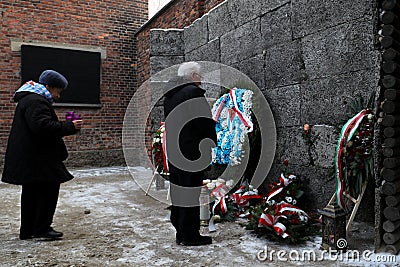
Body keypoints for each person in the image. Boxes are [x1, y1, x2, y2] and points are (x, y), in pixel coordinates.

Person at [1, 70, 83, 240]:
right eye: (58, 91)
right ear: (49, 86)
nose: (58, 96)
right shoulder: (36, 101)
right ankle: (41, 228)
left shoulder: (29, 99)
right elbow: (42, 127)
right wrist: (69, 126)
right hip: (38, 159)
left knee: (31, 192)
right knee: (48, 189)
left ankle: (28, 230)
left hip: (31, 158)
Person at [163, 62, 217, 246]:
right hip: (191, 151)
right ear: (193, 75)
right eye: (200, 75)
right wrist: (211, 137)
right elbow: (202, 123)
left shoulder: (171, 95)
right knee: (190, 192)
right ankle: (190, 236)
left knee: (179, 192)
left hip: (175, 150)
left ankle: (181, 232)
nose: (201, 79)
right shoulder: (192, 93)